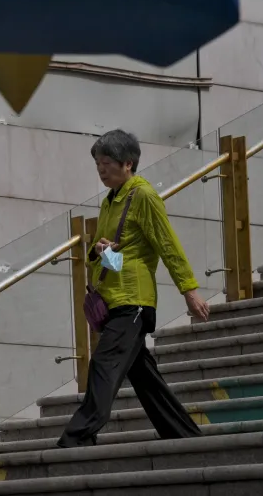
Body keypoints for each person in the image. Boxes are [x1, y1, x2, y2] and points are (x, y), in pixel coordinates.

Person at [56, 129, 210, 448]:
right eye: (98, 163)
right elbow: (115, 259)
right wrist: (99, 252)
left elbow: (167, 245)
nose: (101, 169)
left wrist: (189, 289)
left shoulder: (143, 196)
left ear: (128, 164)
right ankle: (186, 437)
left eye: (107, 162)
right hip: (115, 298)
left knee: (102, 363)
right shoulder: (110, 201)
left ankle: (77, 437)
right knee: (145, 379)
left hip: (134, 302)